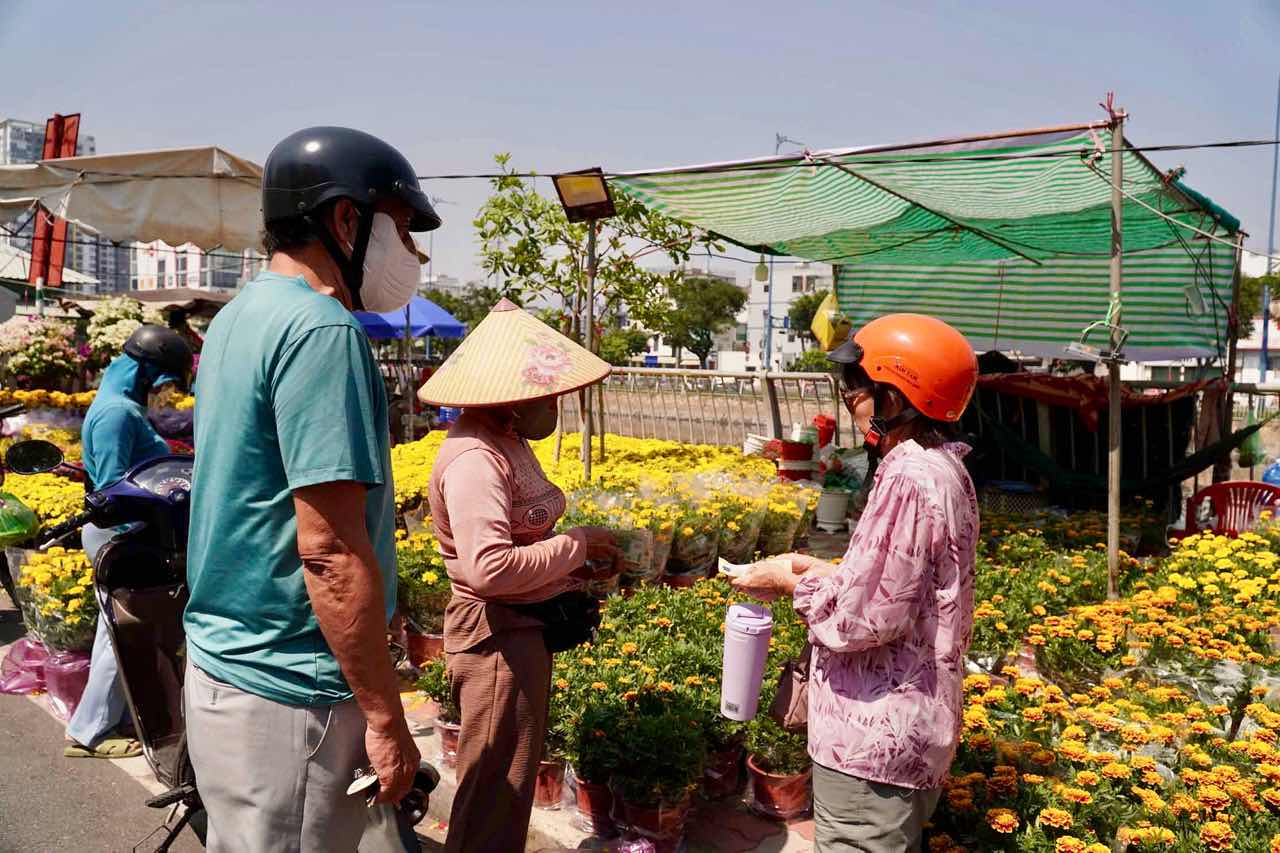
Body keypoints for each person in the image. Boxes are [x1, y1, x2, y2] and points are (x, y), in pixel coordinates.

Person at [184, 126, 440, 852]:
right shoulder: (321, 330)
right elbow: (328, 550)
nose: (411, 255)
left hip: (229, 667)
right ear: (346, 219)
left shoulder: (240, 317)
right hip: (290, 693)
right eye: (400, 228)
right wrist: (387, 720)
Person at [732, 313, 980, 853]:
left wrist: (786, 581)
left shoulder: (908, 478)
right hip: (911, 727)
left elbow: (863, 619)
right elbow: (908, 586)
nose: (848, 398)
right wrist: (824, 570)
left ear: (898, 396)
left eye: (857, 386)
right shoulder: (943, 467)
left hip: (874, 736)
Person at [418, 300, 621, 853]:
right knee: (493, 792)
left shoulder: (507, 439)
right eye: (546, 391)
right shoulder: (475, 457)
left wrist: (576, 553)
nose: (554, 401)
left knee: (509, 781)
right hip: (495, 641)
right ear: (510, 393)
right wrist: (574, 546)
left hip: (520, 632)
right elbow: (489, 569)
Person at [65, 325, 193, 759]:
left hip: (124, 533)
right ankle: (90, 732)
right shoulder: (119, 413)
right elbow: (114, 489)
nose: (165, 394)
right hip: (121, 535)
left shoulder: (115, 408)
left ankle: (105, 721)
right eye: (164, 382)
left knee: (119, 629)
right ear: (146, 373)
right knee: (118, 632)